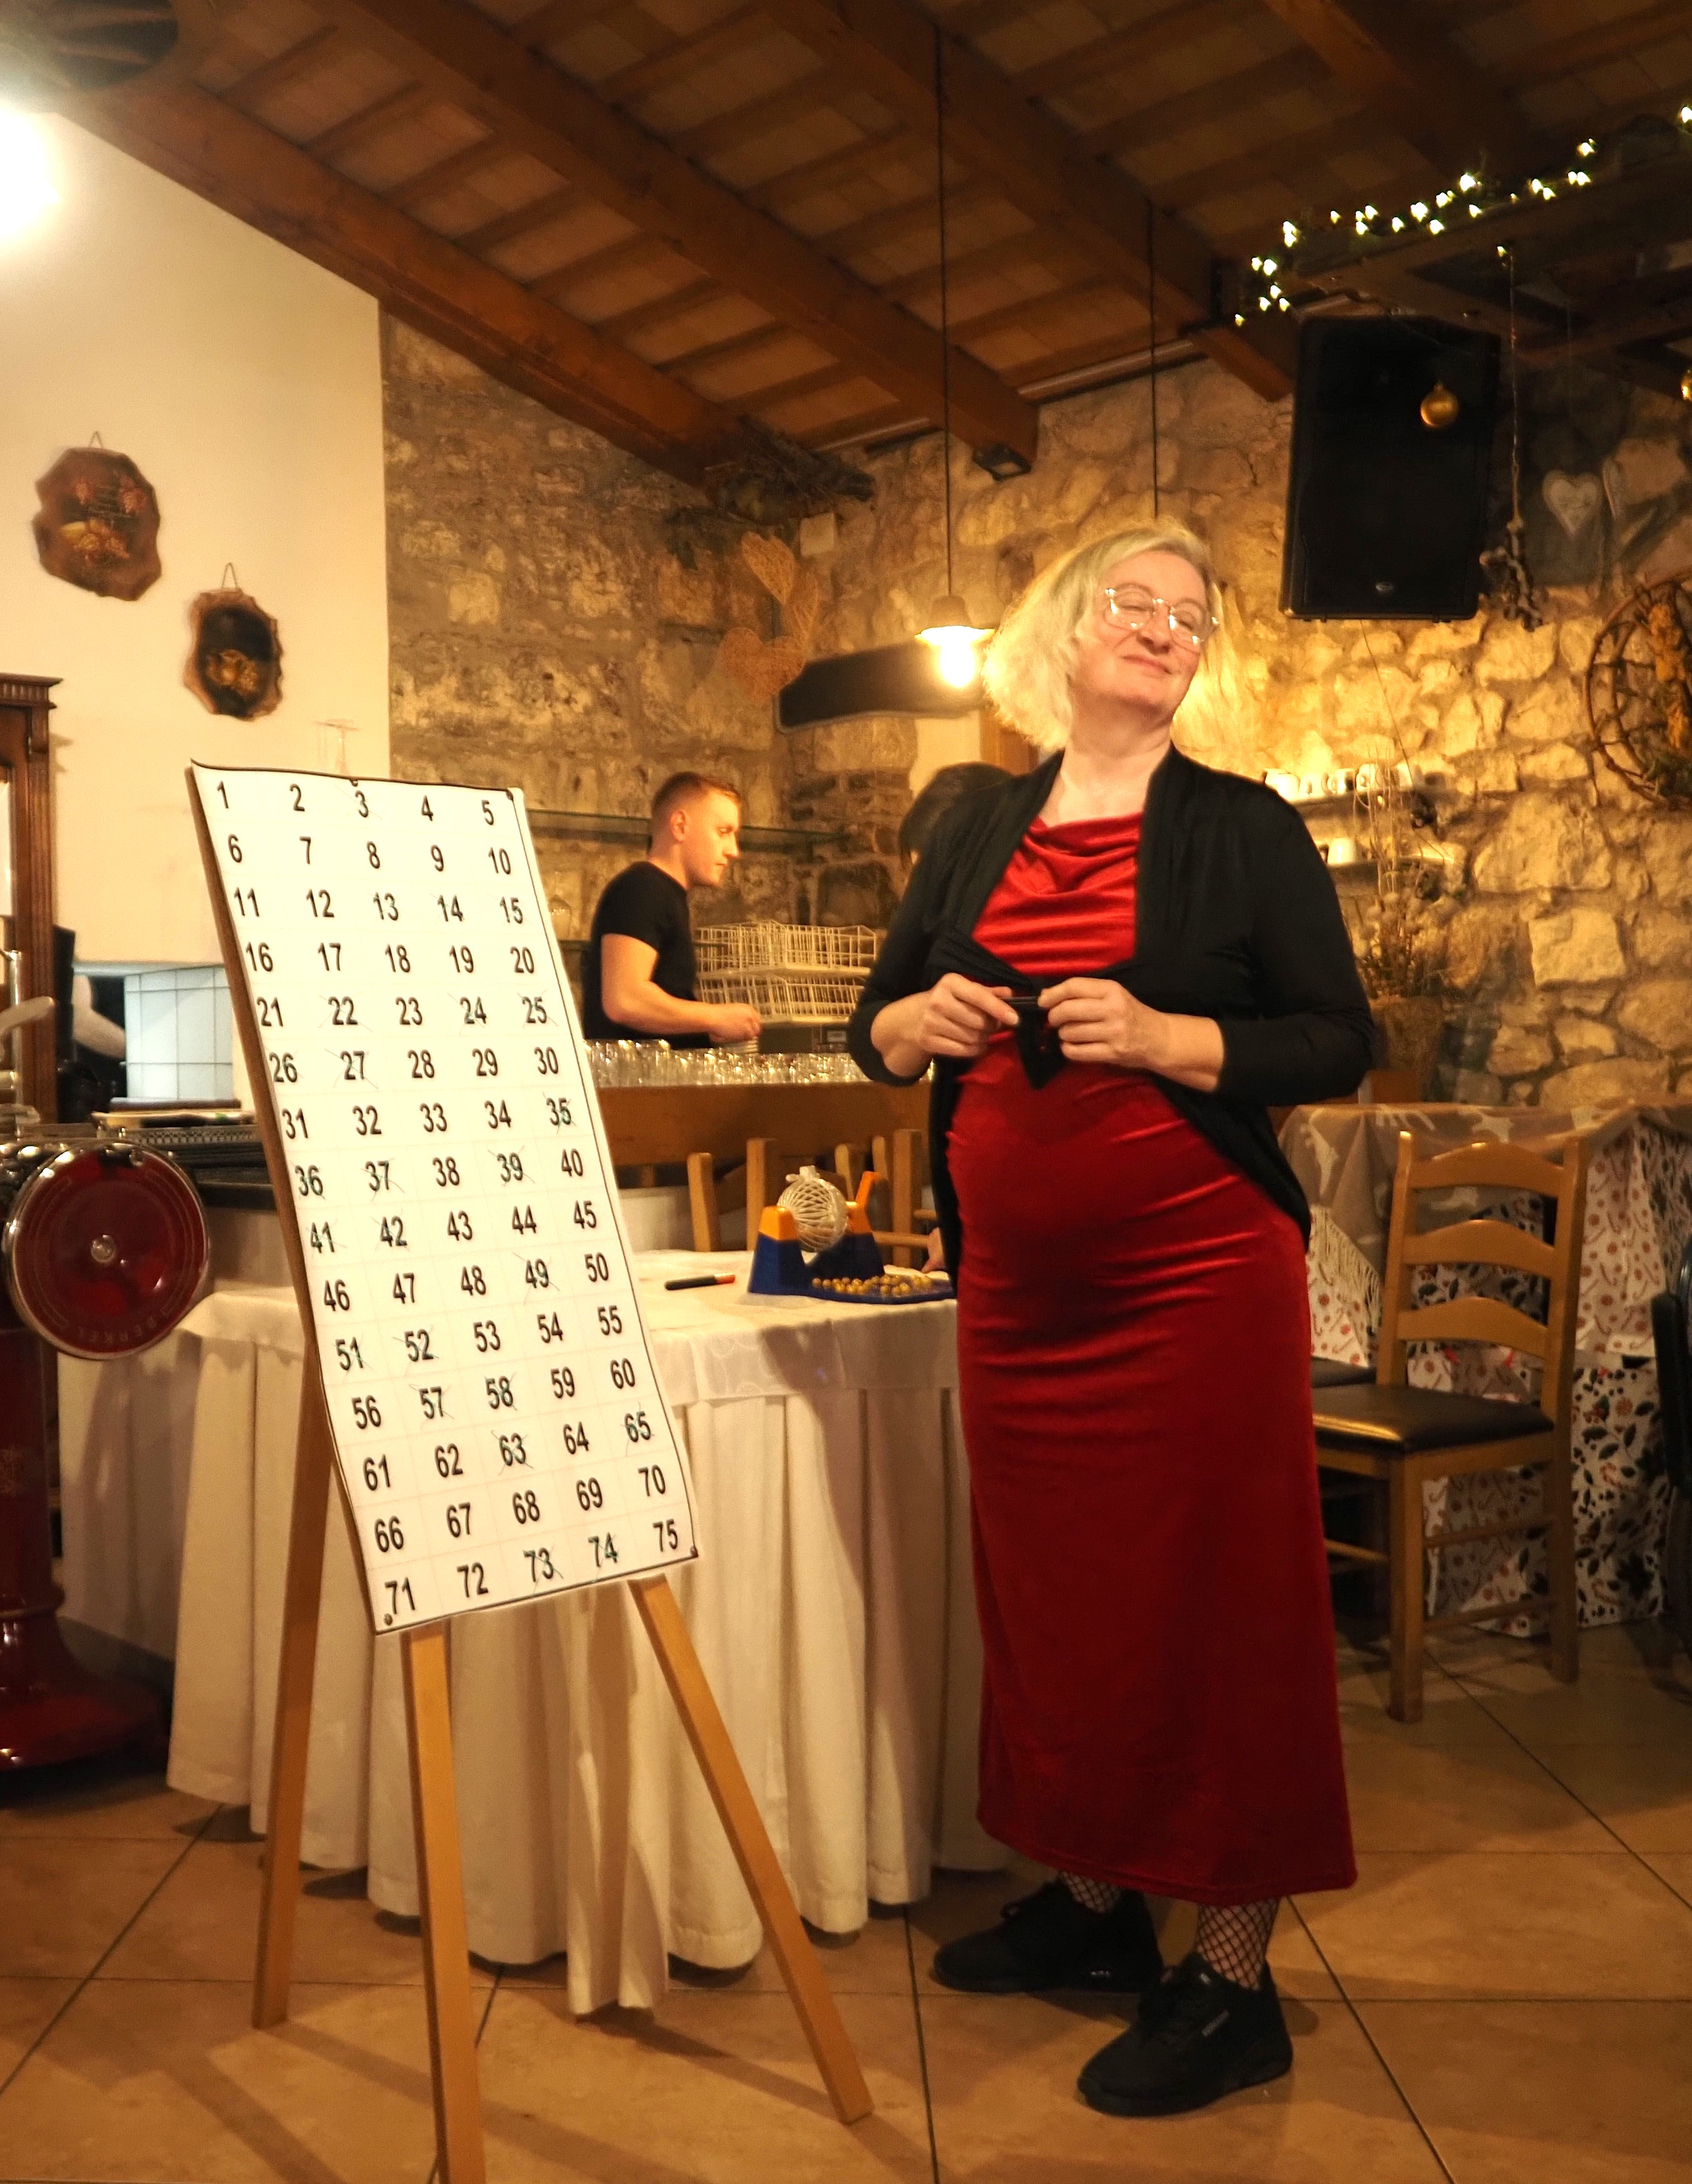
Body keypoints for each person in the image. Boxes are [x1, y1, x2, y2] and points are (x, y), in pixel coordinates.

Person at [850, 525, 1374, 2119]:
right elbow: (875, 1023)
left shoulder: (1241, 828)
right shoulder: (976, 824)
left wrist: (1164, 1034)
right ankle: (1092, 1902)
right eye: (1131, 604)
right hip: (1021, 1297)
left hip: (1191, 1276)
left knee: (1220, 1609)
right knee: (1059, 1605)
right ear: (1063, 633)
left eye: (1187, 617)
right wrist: (914, 1018)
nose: (1161, 628)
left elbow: (1334, 1039)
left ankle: (1231, 1978)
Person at [579, 771, 764, 1046]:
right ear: (680, 826)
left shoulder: (661, 893)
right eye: (723, 832)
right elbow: (624, 1000)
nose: (733, 850)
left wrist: (703, 1029)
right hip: (635, 1075)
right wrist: (714, 1017)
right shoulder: (643, 889)